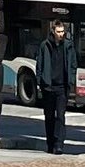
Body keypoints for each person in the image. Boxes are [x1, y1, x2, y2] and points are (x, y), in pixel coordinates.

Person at [33, 12, 76, 156]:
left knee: (61, 116)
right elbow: (39, 64)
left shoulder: (68, 46)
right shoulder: (44, 45)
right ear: (53, 31)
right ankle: (50, 143)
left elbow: (72, 65)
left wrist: (71, 80)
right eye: (58, 32)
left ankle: (59, 145)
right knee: (49, 116)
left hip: (62, 87)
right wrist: (40, 81)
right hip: (48, 86)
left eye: (63, 31)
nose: (61, 34)